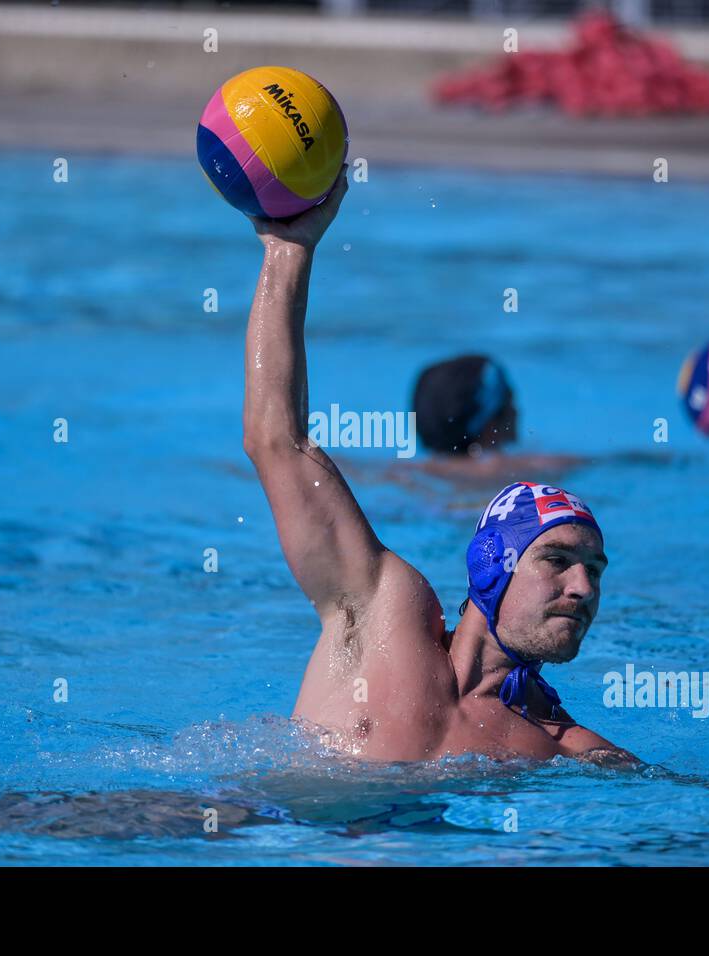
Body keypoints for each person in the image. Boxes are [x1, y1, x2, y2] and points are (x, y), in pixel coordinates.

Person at [242, 168, 637, 766]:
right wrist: (288, 250)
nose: (583, 589)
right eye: (558, 561)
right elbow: (277, 441)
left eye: (594, 572)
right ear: (490, 565)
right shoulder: (380, 610)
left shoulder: (559, 745)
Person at [410, 354, 586, 484]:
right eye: (510, 399)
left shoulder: (403, 475)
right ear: (490, 422)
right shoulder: (538, 467)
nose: (518, 410)